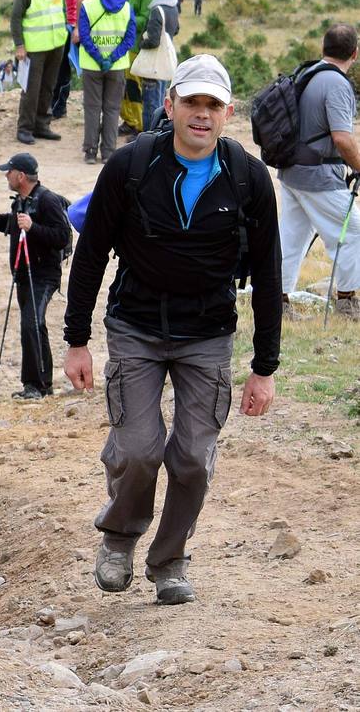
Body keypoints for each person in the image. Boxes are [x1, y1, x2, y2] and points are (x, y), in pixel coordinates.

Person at [65, 53, 280, 606]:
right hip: (135, 326)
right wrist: (76, 340)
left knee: (191, 457)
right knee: (138, 448)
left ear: (228, 112)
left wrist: (264, 369)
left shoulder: (249, 178)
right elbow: (90, 255)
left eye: (213, 104)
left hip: (207, 334)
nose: (201, 115)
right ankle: (119, 538)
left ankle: (169, 561)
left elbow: (270, 271)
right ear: (171, 105)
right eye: (192, 102)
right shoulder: (132, 164)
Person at [278, 25, 360, 320]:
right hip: (317, 176)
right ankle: (347, 301)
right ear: (355, 53)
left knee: (292, 237)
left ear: (323, 48)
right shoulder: (337, 85)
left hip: (291, 171)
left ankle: (278, 300)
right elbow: (342, 138)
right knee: (353, 232)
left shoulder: (306, 73)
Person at [0, 153, 72, 399]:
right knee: (34, 325)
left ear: (20, 176)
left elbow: (62, 236)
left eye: (8, 172)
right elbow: (11, 224)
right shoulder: (21, 200)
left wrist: (33, 227)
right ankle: (42, 383)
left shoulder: (47, 200)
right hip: (24, 274)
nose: (6, 176)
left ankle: (35, 385)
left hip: (43, 275)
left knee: (31, 324)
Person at [9, 0, 68, 145]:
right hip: (34, 47)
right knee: (31, 90)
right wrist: (19, 45)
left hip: (56, 43)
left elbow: (62, 10)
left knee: (48, 87)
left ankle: (42, 124)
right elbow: (16, 18)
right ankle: (25, 128)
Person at [77, 0, 136, 164]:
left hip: (92, 66)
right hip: (117, 66)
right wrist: (112, 58)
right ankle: (109, 152)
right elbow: (129, 38)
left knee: (93, 108)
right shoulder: (127, 6)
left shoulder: (87, 5)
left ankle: (91, 151)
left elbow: (84, 36)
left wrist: (99, 57)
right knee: (112, 109)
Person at [49, 0, 89, 121]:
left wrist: (78, 27)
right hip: (48, 24)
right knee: (50, 66)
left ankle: (59, 107)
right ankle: (49, 103)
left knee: (63, 68)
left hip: (67, 24)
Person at [139, 0, 181, 133]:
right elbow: (176, 30)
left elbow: (154, 40)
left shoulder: (157, 9)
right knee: (161, 100)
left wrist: (142, 44)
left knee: (150, 102)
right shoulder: (173, 7)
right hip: (165, 60)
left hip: (154, 61)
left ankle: (148, 135)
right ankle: (158, 133)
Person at [122, 0, 154, 133]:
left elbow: (147, 17)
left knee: (134, 86)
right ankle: (128, 120)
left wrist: (125, 18)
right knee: (124, 86)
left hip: (136, 47)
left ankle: (140, 126)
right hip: (123, 44)